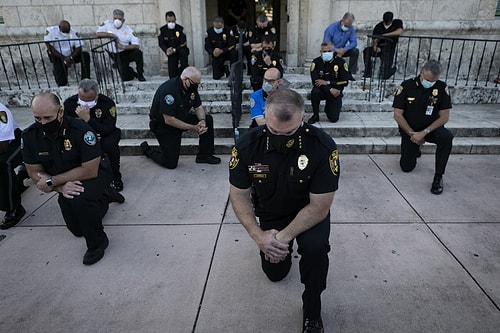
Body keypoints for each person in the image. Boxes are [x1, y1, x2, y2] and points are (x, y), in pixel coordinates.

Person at [229, 89, 339, 333]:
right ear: (264, 116)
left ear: (303, 119)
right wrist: (260, 237)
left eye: (288, 132)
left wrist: (281, 239)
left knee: (315, 250)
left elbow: (320, 205)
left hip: (308, 213)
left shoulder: (321, 147)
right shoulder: (248, 145)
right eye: (273, 130)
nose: (279, 138)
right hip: (271, 211)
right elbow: (238, 195)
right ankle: (279, 255)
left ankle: (312, 310)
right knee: (275, 274)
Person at [22, 92, 124, 265]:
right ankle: (104, 197)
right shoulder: (30, 136)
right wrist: (60, 187)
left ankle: (98, 243)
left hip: (96, 172)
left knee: (80, 199)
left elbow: (90, 170)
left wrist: (53, 181)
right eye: (37, 118)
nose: (43, 123)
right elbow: (34, 172)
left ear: (60, 112)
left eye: (47, 117)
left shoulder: (81, 130)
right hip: (63, 180)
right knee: (78, 229)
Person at [140, 66, 221, 169]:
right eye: (195, 84)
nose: (196, 86)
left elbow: (198, 107)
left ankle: (205, 155)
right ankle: (148, 150)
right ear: (185, 79)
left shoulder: (190, 87)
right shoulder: (169, 90)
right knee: (170, 163)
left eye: (198, 84)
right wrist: (193, 128)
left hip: (181, 117)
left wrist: (202, 121)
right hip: (164, 126)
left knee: (208, 119)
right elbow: (169, 120)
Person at [392, 59, 453, 195]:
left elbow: (444, 117)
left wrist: (424, 132)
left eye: (433, 81)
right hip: (410, 130)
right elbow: (397, 115)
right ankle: (415, 149)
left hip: (431, 128)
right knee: (406, 167)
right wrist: (412, 134)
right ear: (421, 72)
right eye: (427, 79)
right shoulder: (407, 86)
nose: (430, 83)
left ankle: (438, 177)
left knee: (447, 137)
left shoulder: (442, 88)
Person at [63, 79, 123, 192]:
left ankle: (115, 176)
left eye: (89, 100)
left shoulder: (107, 104)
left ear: (97, 96)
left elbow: (109, 128)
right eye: (82, 100)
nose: (85, 104)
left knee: (111, 143)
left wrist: (88, 119)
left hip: (103, 135)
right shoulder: (70, 104)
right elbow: (66, 128)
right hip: (80, 137)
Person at [96, 9, 146, 82]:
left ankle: (140, 73)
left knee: (138, 53)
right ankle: (130, 71)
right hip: (115, 54)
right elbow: (98, 34)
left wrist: (123, 47)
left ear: (123, 20)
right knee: (125, 78)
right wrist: (111, 35)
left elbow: (136, 45)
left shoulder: (128, 30)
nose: (117, 21)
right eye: (115, 18)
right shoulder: (107, 24)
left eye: (119, 19)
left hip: (125, 52)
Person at [308, 42, 350, 124]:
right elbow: (315, 82)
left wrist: (327, 83)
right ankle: (315, 115)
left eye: (329, 51)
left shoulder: (341, 62)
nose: (327, 53)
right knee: (315, 92)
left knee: (333, 118)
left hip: (336, 92)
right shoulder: (316, 63)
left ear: (333, 51)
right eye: (324, 52)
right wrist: (330, 89)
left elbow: (345, 81)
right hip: (323, 90)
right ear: (320, 52)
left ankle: (329, 108)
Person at [0, 103, 27, 230]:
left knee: (3, 164)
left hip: (15, 142)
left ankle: (14, 208)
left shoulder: (1, 112)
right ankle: (17, 182)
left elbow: (3, 146)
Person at [44, 20, 90, 87]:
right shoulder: (51, 31)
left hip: (71, 54)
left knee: (85, 56)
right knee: (61, 79)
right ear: (59, 28)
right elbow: (50, 47)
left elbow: (78, 46)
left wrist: (71, 57)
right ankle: (62, 83)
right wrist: (63, 58)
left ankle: (85, 80)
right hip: (57, 55)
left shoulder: (73, 32)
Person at [363, 11, 403, 79]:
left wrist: (383, 36)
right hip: (379, 48)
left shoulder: (397, 23)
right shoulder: (379, 26)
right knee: (366, 51)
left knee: (385, 75)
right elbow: (374, 39)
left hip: (389, 49)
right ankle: (367, 72)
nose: (386, 23)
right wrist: (375, 47)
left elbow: (398, 32)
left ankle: (390, 71)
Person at [158, 11, 189, 79]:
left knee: (184, 61)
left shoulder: (180, 29)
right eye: (169, 21)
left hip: (180, 50)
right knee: (172, 74)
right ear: (166, 20)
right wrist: (166, 50)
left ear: (175, 20)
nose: (171, 23)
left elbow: (183, 42)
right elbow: (161, 43)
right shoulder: (162, 30)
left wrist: (175, 49)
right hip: (170, 52)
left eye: (172, 21)